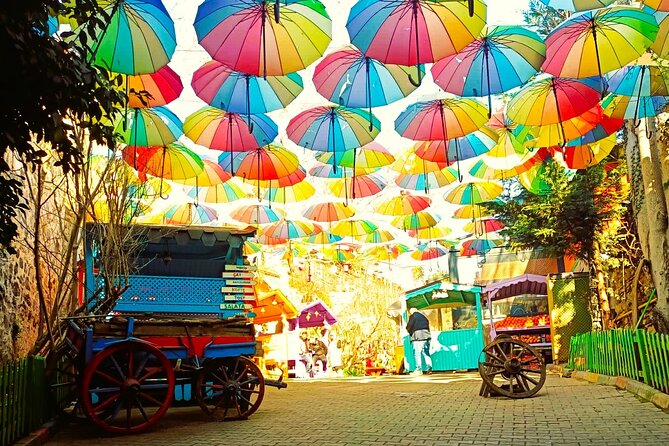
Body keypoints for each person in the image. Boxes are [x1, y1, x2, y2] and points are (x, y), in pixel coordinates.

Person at [406, 308, 432, 376]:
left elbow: (409, 326)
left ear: (411, 312)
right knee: (426, 353)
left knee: (417, 353)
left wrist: (411, 333)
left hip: (418, 337)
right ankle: (429, 368)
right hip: (426, 336)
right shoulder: (424, 317)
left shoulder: (413, 316)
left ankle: (419, 369)